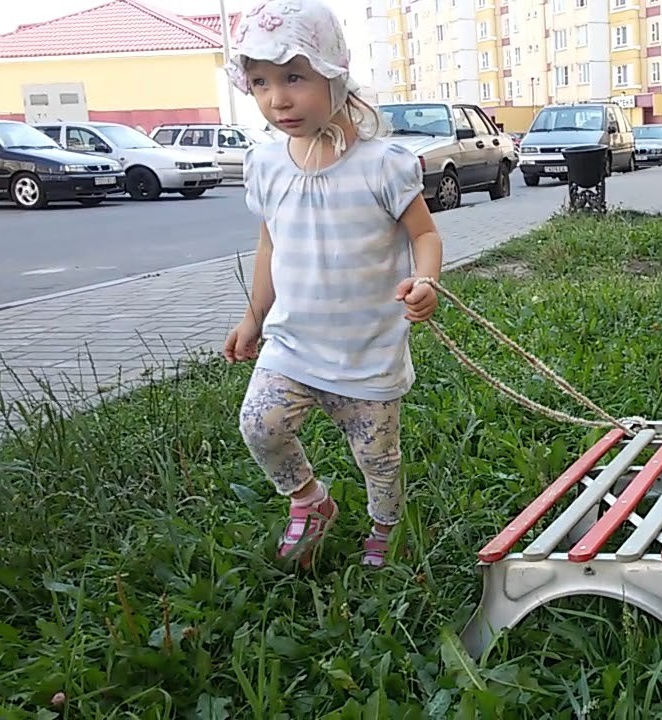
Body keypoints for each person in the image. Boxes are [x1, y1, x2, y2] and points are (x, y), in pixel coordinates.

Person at [220, 0, 443, 570]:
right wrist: (252, 319)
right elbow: (270, 246)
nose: (278, 99)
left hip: (367, 357)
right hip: (292, 347)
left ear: (334, 75)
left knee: (378, 460)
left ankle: (385, 528)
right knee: (259, 424)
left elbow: (425, 235)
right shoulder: (267, 165)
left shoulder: (382, 165)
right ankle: (308, 500)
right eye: (262, 81)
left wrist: (425, 282)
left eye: (295, 77)